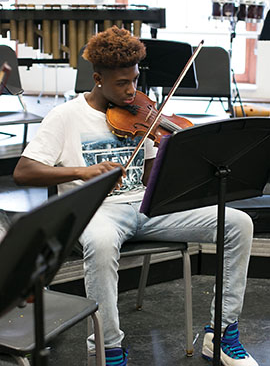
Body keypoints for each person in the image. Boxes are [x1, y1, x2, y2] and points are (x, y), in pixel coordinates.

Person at [13, 26, 258, 366]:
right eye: (121, 84)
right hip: (99, 212)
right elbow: (24, 171)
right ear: (98, 79)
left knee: (238, 223)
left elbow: (147, 179)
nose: (132, 92)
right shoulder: (65, 116)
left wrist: (167, 156)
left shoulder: (143, 113)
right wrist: (82, 172)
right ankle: (107, 349)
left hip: (147, 206)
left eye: (135, 80)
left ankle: (221, 333)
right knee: (99, 244)